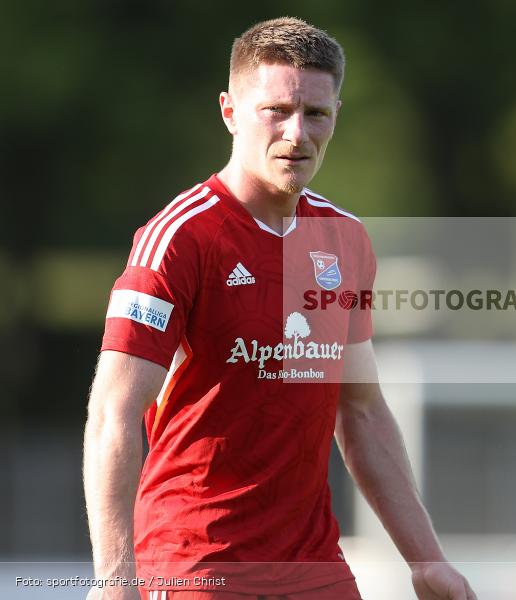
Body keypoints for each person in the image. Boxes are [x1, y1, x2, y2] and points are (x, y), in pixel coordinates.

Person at [83, 17, 476, 600]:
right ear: (230, 111)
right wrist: (114, 581)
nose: (297, 134)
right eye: (277, 110)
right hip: (199, 565)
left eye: (316, 114)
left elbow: (361, 412)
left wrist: (426, 560)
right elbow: (114, 413)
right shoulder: (180, 238)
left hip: (314, 569)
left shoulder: (345, 241)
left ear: (336, 115)